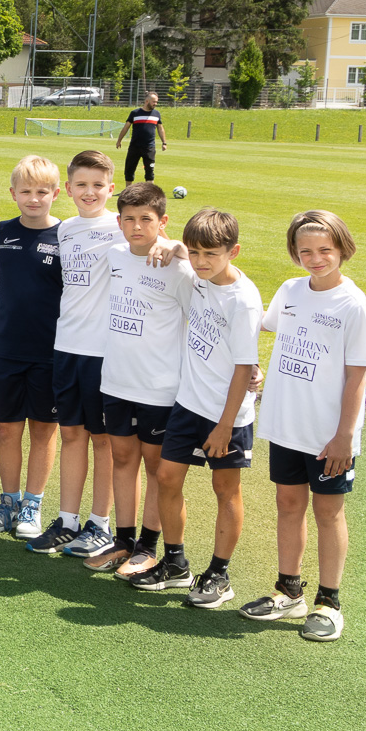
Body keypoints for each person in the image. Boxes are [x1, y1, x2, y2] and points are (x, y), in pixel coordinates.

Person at [245, 211, 366, 642]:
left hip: (328, 435)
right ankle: (289, 590)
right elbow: (258, 324)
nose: (315, 258)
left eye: (324, 250)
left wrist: (344, 437)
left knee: (328, 512)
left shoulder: (353, 304)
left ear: (342, 249)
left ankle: (329, 602)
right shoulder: (291, 290)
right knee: (287, 505)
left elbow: (356, 377)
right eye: (306, 251)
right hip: (285, 424)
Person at [137, 207, 260, 604]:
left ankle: (219, 575)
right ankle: (175, 564)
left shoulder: (242, 300)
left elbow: (245, 368)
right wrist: (174, 246)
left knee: (226, 489)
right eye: (195, 253)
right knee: (167, 478)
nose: (201, 262)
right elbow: (177, 251)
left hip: (227, 416)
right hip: (188, 404)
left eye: (211, 254)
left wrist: (225, 426)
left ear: (234, 251)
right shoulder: (196, 274)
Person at [96, 181, 196, 580]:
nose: (137, 226)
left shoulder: (179, 268)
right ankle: (123, 539)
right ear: (119, 222)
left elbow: (202, 316)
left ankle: (149, 546)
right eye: (130, 219)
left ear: (163, 222)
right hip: (116, 380)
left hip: (159, 386)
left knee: (156, 467)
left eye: (147, 219)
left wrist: (182, 250)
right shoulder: (115, 255)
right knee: (122, 459)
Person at [0, 155, 63, 540]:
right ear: (12, 193)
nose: (34, 198)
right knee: (8, 429)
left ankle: (33, 502)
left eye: (42, 191)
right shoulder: (3, 231)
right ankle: (9, 500)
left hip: (51, 351)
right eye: (26, 191)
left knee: (44, 431)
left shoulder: (67, 235)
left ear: (55, 194)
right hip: (6, 348)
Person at [47, 150, 122, 560]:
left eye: (98, 185)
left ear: (111, 188)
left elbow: (168, 247)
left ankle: (101, 525)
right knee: (71, 433)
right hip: (66, 346)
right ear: (69, 189)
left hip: (103, 352)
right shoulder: (65, 229)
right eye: (81, 185)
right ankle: (68, 521)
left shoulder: (121, 227)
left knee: (103, 440)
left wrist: (175, 248)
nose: (89, 192)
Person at [115, 92, 169, 184]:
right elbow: (126, 127)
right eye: (153, 102)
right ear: (147, 101)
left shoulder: (156, 114)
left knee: (149, 171)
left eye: (156, 102)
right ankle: (128, 191)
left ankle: (149, 193)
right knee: (129, 169)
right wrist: (119, 140)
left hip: (149, 147)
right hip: (134, 146)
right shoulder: (135, 113)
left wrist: (164, 142)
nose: (155, 104)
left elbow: (160, 129)